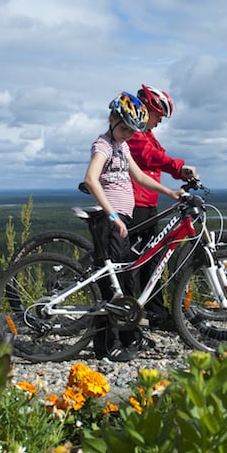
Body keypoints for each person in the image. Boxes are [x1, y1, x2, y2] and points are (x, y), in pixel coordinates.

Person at [83, 91, 183, 361]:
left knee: (123, 279)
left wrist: (169, 192)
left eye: (132, 130)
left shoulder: (123, 146)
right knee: (113, 285)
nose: (128, 134)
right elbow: (91, 179)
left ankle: (127, 337)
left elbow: (138, 175)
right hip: (110, 220)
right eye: (124, 128)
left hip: (122, 219)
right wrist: (113, 215)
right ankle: (108, 343)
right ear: (112, 119)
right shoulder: (103, 145)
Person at [126, 84, 198, 331]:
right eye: (159, 116)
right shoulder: (134, 134)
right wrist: (179, 167)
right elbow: (148, 157)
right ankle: (122, 315)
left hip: (147, 204)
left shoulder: (147, 134)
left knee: (152, 261)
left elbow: (157, 160)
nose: (159, 122)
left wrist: (181, 175)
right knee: (130, 262)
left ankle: (155, 312)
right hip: (134, 205)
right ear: (148, 109)